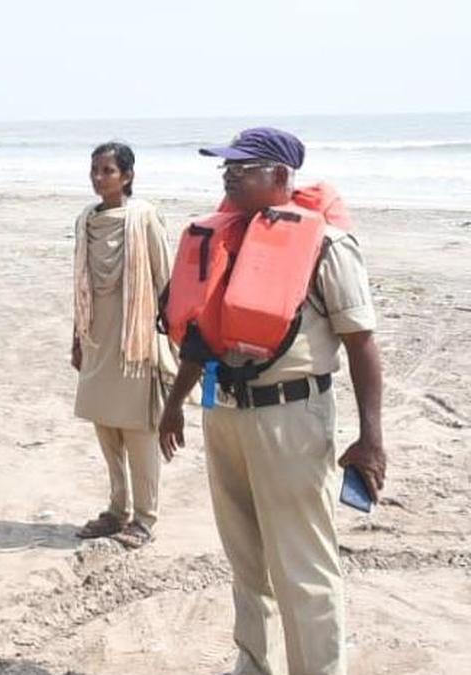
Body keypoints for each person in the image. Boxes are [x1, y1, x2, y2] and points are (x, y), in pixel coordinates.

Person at [159, 128, 385, 675]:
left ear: (282, 177)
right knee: (245, 559)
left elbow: (362, 342)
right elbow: (199, 336)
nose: (230, 175)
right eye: (227, 168)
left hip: (292, 417)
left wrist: (371, 436)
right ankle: (253, 665)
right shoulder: (221, 239)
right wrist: (175, 402)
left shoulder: (326, 245)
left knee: (303, 563)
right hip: (226, 413)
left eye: (245, 167)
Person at [72, 141, 177, 549]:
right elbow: (80, 284)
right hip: (97, 338)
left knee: (139, 428)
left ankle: (146, 518)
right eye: (95, 170)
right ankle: (118, 509)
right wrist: (77, 338)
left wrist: (169, 339)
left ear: (128, 176)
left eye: (108, 171)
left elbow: (164, 280)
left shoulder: (144, 217)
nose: (99, 178)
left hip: (136, 341)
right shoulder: (86, 219)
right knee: (105, 426)